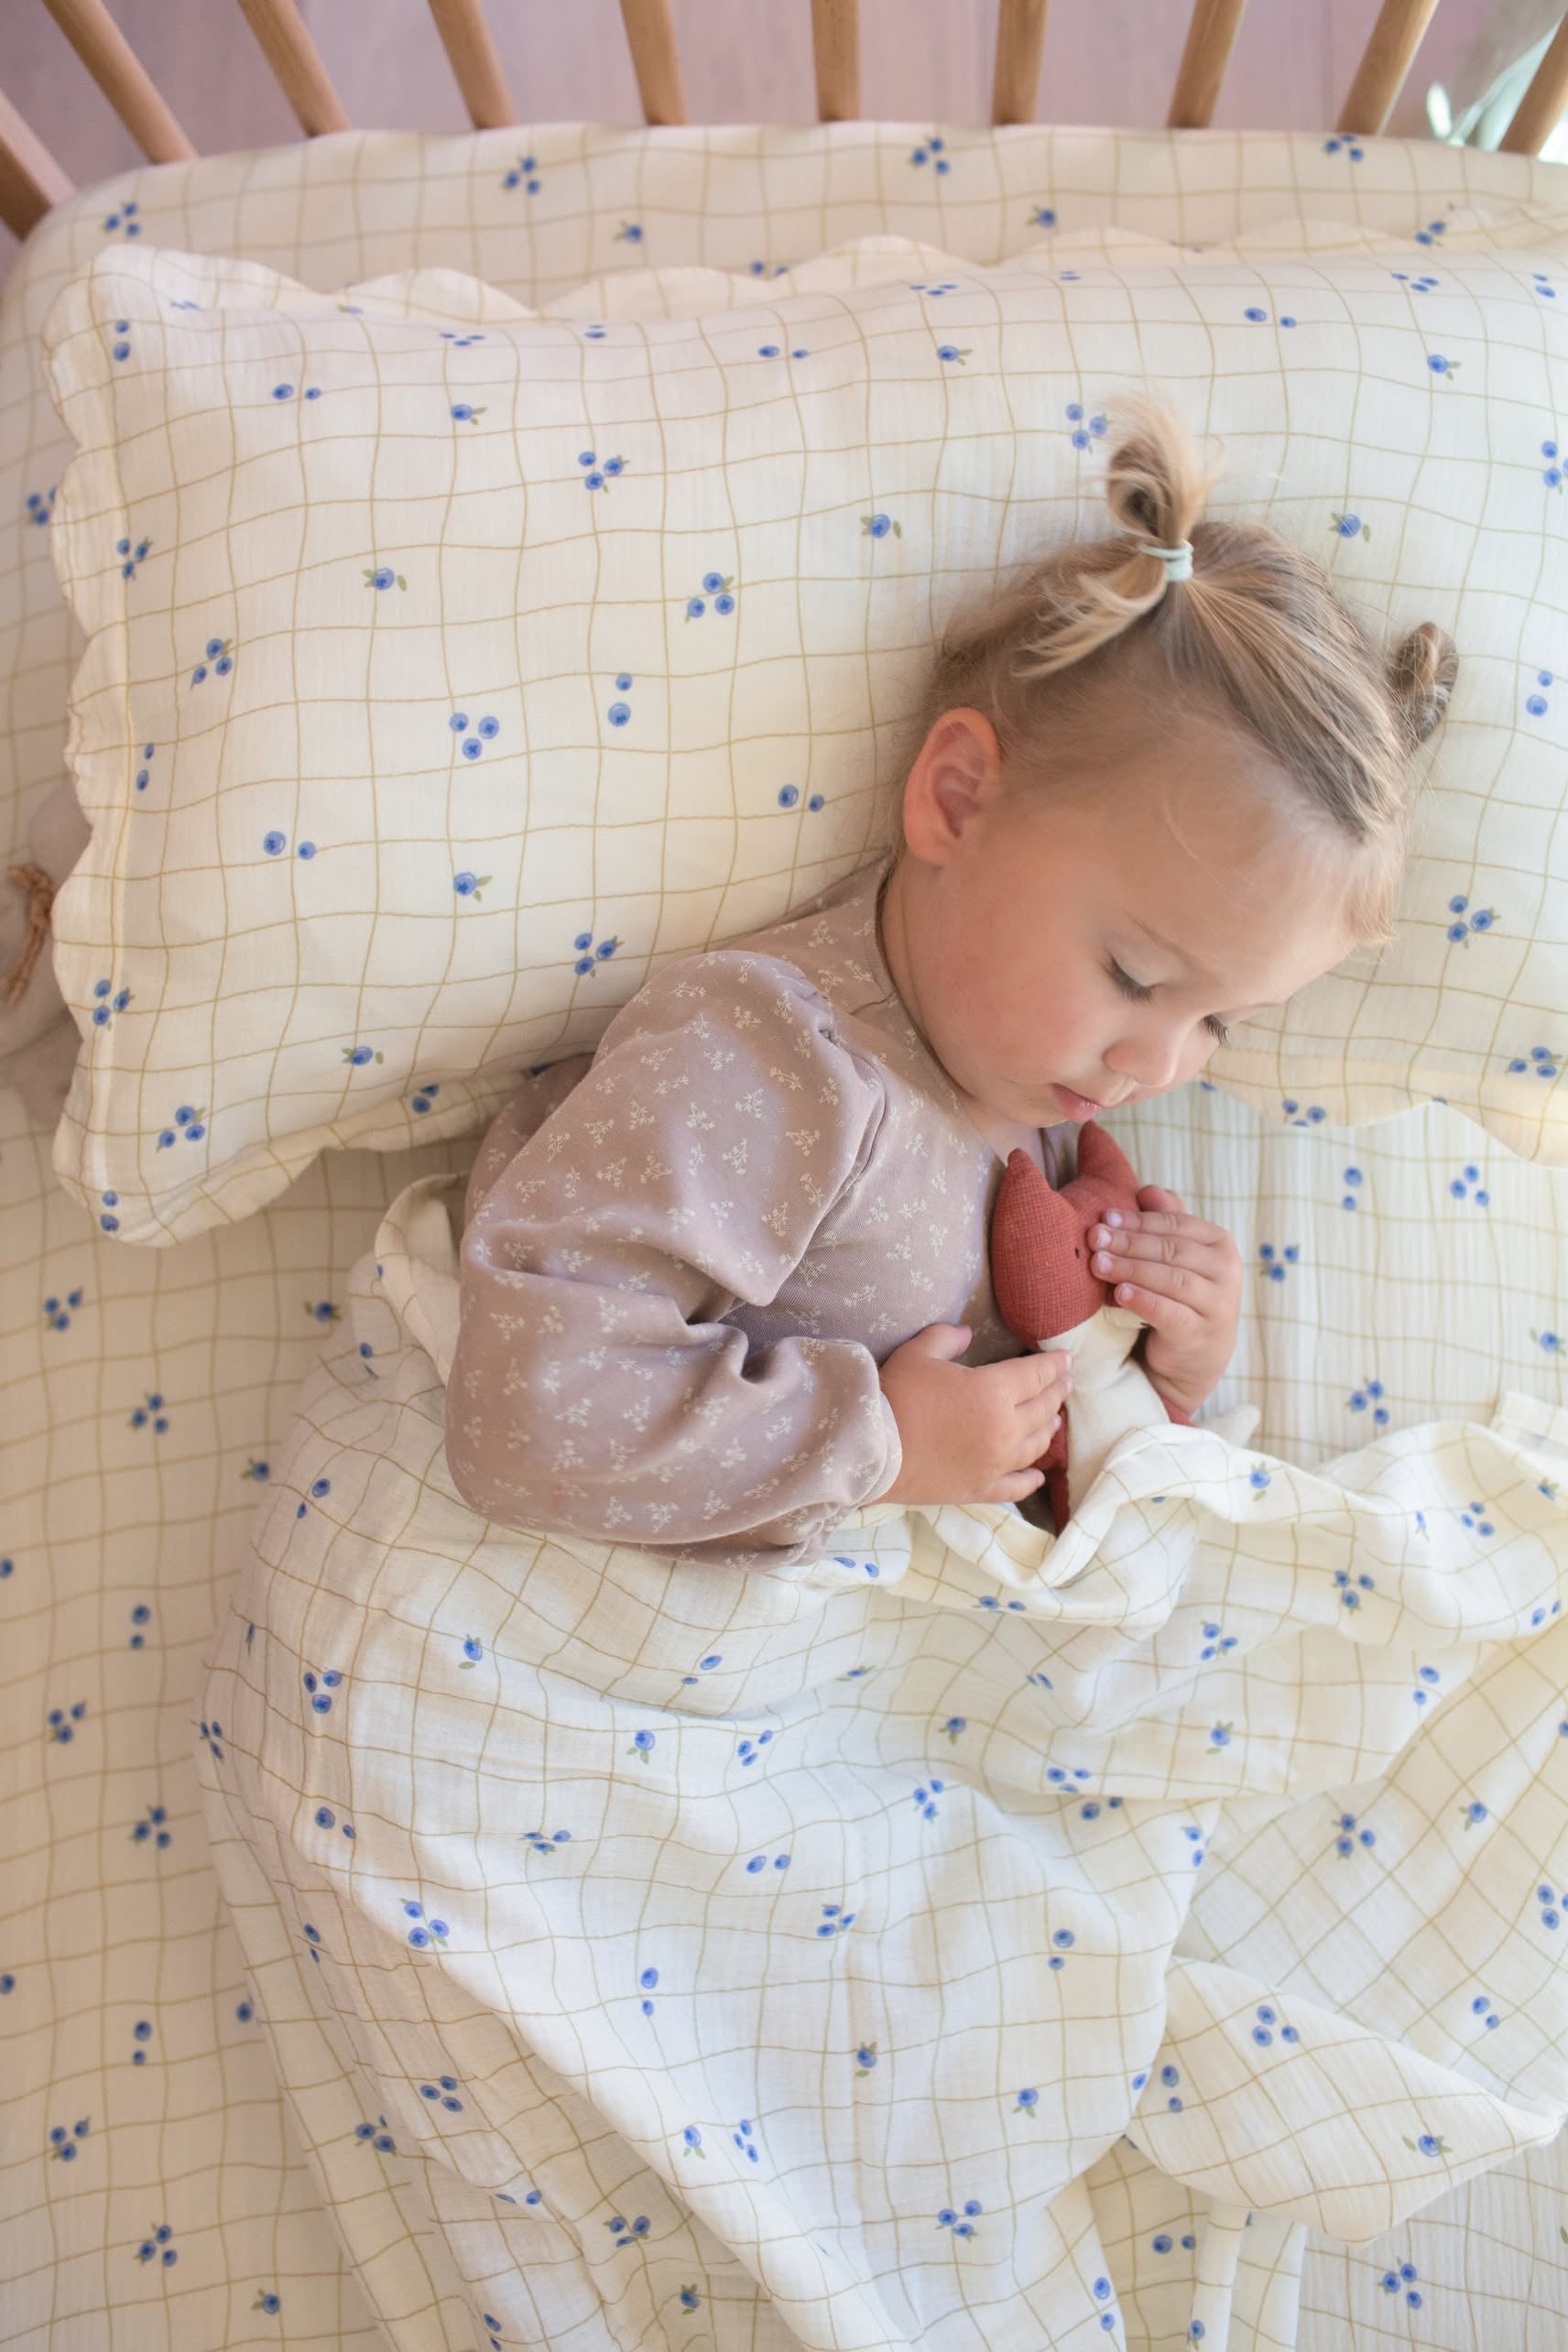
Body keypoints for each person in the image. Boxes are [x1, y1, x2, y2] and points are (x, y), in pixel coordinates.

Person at [444, 397, 1458, 1570]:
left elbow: (1019, 1477)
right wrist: (871, 1439)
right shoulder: (774, 1062)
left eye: (1220, 1021)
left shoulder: (1047, 1114)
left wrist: (1158, 1374)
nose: (1157, 1067)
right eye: (1133, 974)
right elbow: (525, 1409)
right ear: (958, 799)